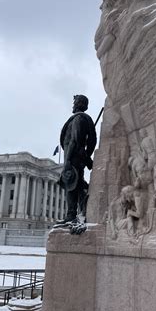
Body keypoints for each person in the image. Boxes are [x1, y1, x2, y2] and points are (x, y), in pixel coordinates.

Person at [57, 95, 97, 224]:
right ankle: (84, 210)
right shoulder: (81, 119)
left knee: (71, 185)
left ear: (79, 104)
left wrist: (68, 160)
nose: (73, 105)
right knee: (78, 184)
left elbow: (74, 140)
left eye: (75, 102)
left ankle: (71, 215)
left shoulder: (79, 119)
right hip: (77, 157)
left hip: (73, 157)